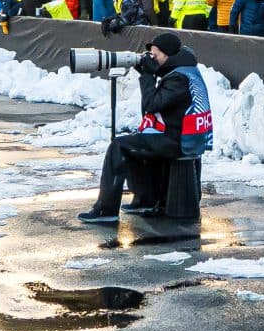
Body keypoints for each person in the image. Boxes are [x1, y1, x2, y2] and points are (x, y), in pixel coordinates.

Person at [79, 33, 212, 224]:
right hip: (182, 137)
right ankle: (145, 200)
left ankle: (105, 210)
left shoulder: (178, 79)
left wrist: (148, 75)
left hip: (179, 142)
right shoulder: (184, 70)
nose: (152, 58)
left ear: (168, 55)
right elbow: (152, 112)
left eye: (155, 55)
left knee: (119, 146)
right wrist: (148, 73)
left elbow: (151, 105)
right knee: (139, 139)